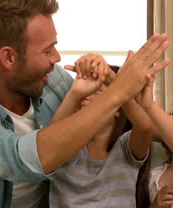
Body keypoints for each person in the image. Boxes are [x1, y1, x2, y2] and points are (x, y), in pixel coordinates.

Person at [0, 0, 170, 207]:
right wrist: (119, 91)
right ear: (8, 58)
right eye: (47, 50)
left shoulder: (51, 81)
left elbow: (140, 127)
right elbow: (25, 160)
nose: (56, 58)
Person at [47, 63, 153, 207]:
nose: (87, 97)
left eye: (97, 92)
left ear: (118, 109)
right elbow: (49, 143)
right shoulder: (67, 148)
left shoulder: (124, 149)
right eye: (85, 93)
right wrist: (75, 94)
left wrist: (111, 77)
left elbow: (144, 126)